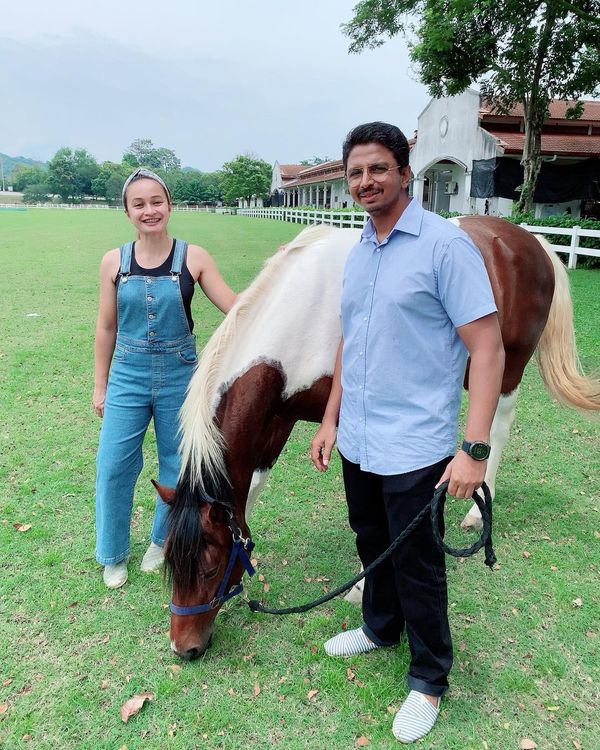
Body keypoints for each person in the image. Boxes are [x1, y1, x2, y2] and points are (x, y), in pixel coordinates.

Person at [310, 123, 504, 743]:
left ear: (404, 170)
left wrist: (474, 450)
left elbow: (489, 347)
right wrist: (332, 416)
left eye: (378, 169)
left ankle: (428, 678)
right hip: (359, 436)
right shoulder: (361, 248)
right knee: (372, 541)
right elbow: (350, 336)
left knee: (417, 563)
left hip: (416, 442)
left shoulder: (445, 247)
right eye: (356, 172)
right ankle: (378, 627)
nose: (365, 182)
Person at [93, 168, 237, 589]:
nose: (149, 210)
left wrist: (277, 285)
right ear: (127, 212)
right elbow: (106, 328)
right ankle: (113, 553)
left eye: (156, 201)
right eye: (139, 204)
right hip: (127, 376)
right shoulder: (113, 262)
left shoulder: (194, 258)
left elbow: (235, 306)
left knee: (177, 465)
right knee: (114, 464)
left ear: (169, 205)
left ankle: (162, 540)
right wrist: (100, 385)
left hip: (180, 378)